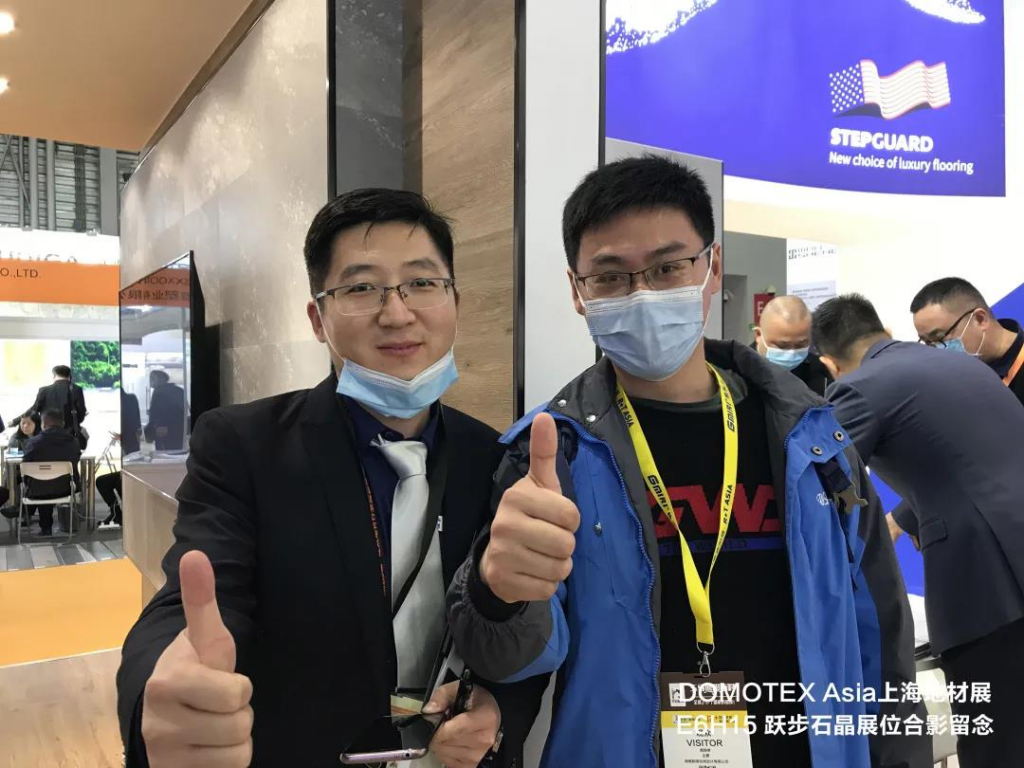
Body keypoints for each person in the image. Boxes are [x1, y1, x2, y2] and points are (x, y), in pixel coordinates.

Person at [447, 157, 928, 768]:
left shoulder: (814, 440)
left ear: (712, 267)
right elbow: (513, 660)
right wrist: (498, 594)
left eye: (668, 267)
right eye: (610, 276)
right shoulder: (550, 452)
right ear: (577, 291)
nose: (642, 294)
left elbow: (879, 630)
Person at [117, 189, 543, 768]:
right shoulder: (244, 446)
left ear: (455, 302)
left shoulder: (493, 456)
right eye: (362, 288)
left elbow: (517, 620)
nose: (397, 313)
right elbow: (192, 603)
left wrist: (498, 710)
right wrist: (161, 694)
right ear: (318, 319)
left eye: (422, 282)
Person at [812, 293, 1024, 768]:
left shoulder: (858, 389)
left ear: (829, 363)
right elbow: (964, 460)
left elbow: (818, 480)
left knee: (995, 741)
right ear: (882, 330)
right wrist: (900, 520)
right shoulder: (963, 366)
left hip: (991, 581)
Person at [910, 277, 1024, 407]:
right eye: (927, 343)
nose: (935, 352)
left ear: (980, 319)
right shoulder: (964, 383)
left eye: (940, 337)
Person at [753, 294, 833, 395]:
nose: (792, 353)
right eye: (782, 346)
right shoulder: (738, 371)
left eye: (801, 345)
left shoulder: (823, 372)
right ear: (758, 335)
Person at [22, 408, 82, 536]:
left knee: (42, 482)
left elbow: (25, 466)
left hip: (37, 491)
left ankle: (45, 527)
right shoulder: (73, 442)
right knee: (50, 483)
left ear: (43, 424)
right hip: (66, 489)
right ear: (63, 424)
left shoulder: (33, 442)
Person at [0, 411, 40, 516]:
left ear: (37, 424)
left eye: (29, 423)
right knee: (13, 477)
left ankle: (26, 511)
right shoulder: (16, 438)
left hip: (39, 471)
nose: (25, 426)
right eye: (23, 423)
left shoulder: (42, 437)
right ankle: (17, 507)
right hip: (20, 471)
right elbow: (12, 457)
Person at [30, 364, 87, 436]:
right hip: (69, 433)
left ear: (54, 375)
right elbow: (81, 411)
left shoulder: (44, 390)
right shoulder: (76, 389)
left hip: (47, 432)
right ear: (69, 376)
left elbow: (34, 410)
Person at [144, 370, 186, 451]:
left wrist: (150, 430)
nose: (150, 381)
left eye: (152, 378)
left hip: (161, 430)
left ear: (158, 379)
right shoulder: (179, 390)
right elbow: (182, 411)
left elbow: (155, 414)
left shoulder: (158, 391)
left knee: (163, 454)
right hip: (178, 430)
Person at [122, 387, 142, 455]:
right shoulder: (132, 398)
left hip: (125, 433)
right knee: (134, 454)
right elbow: (137, 416)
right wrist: (139, 428)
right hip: (132, 435)